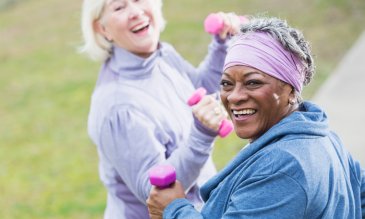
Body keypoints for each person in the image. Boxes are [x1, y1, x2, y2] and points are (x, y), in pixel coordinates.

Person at [147, 16, 365, 219]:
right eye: (226, 84)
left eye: (253, 82)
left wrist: (173, 209)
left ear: (290, 90)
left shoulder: (282, 167)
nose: (234, 97)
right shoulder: (323, 136)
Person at [80, 0, 242, 218]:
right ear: (103, 29)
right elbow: (156, 193)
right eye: (119, 7)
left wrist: (222, 45)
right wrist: (202, 135)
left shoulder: (161, 55)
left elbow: (200, 89)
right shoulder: (118, 107)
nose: (135, 12)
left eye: (138, 0)